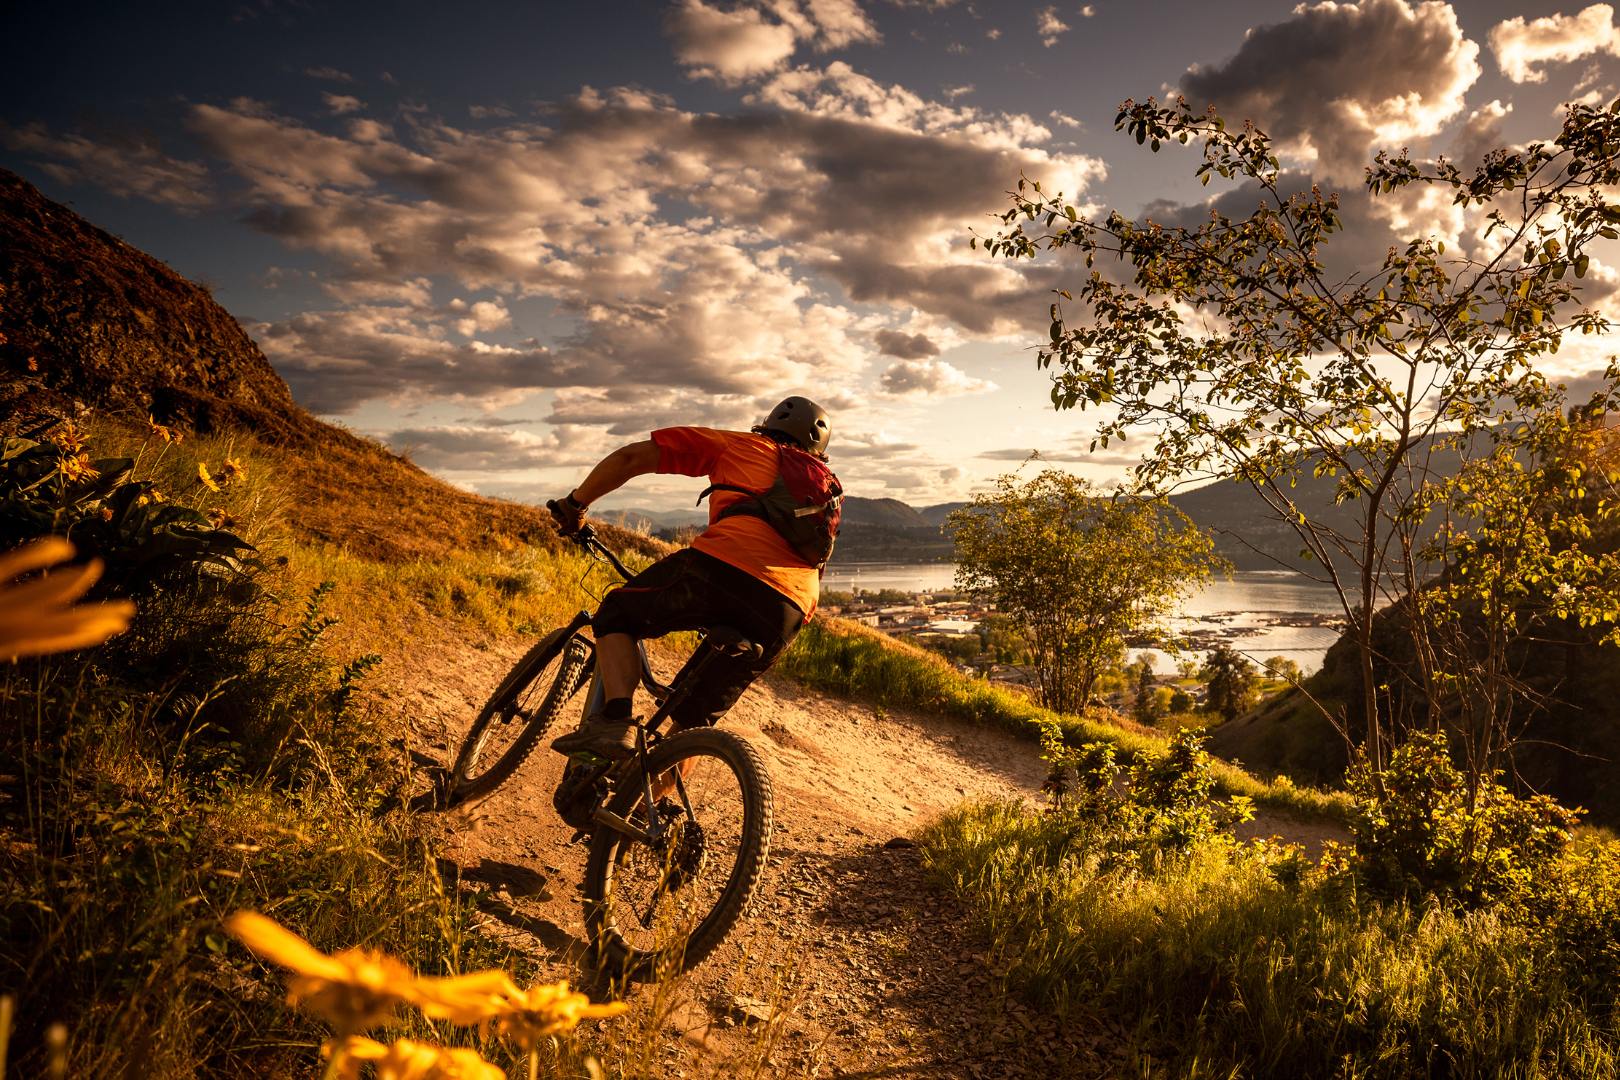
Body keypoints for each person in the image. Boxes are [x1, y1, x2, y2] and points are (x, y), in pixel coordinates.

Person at [548, 396, 838, 760]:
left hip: (722, 568)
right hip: (788, 610)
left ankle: (614, 721)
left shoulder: (743, 445)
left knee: (617, 614)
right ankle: (642, 812)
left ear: (768, 425)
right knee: (692, 724)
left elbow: (631, 458)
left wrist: (575, 505)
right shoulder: (825, 488)